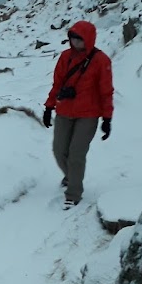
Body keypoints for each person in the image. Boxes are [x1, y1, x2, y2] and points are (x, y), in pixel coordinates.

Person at [42, 20, 114, 210]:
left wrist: (107, 118)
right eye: (73, 39)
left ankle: (74, 193)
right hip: (64, 111)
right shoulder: (65, 57)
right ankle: (71, 176)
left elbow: (106, 92)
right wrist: (49, 107)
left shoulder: (101, 61)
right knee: (59, 150)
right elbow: (56, 84)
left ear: (89, 39)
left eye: (79, 39)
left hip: (88, 115)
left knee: (76, 155)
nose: (75, 43)